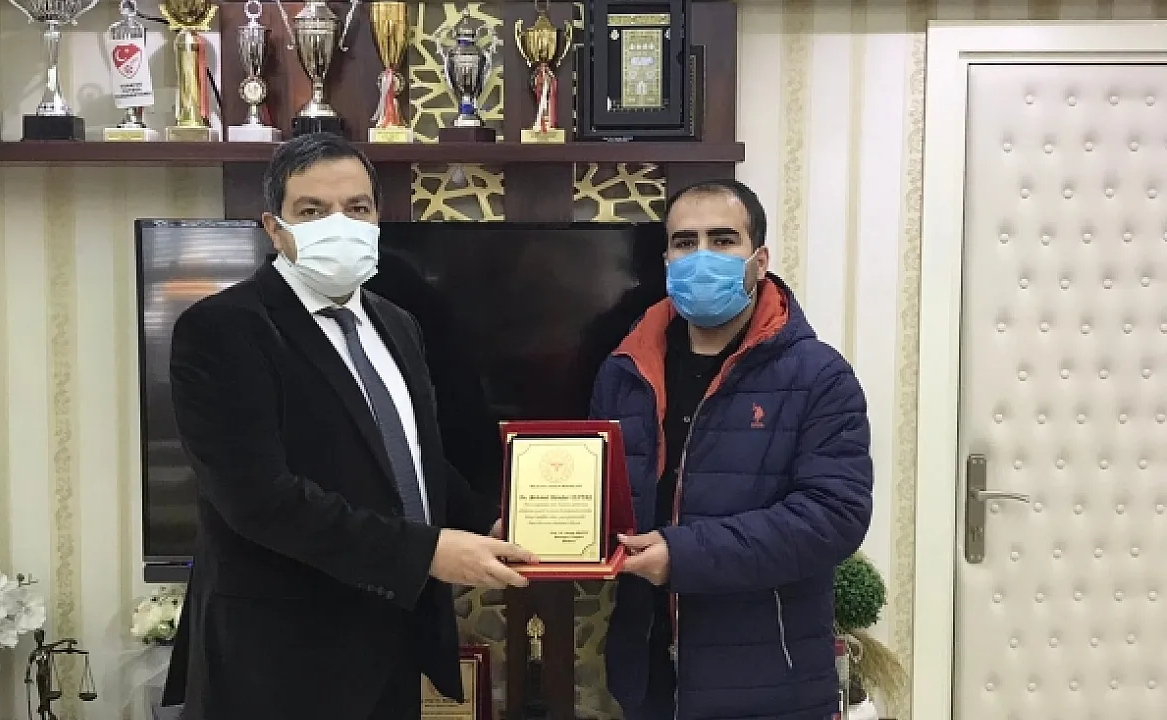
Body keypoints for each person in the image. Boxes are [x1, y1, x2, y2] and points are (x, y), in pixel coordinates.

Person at [160, 133, 536, 720]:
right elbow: (259, 500)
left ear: (377, 218)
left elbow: (409, 457)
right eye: (313, 210)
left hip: (392, 640)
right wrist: (427, 552)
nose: (340, 224)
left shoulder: (397, 323)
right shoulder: (222, 330)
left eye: (357, 207)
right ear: (274, 227)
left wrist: (491, 518)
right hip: (279, 656)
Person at [591, 179, 873, 720]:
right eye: (684, 242)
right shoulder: (625, 370)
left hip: (770, 686)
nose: (702, 257)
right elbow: (600, 492)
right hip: (648, 678)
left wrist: (682, 556)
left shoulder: (819, 377)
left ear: (759, 260)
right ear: (666, 261)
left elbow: (833, 517)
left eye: (722, 240)